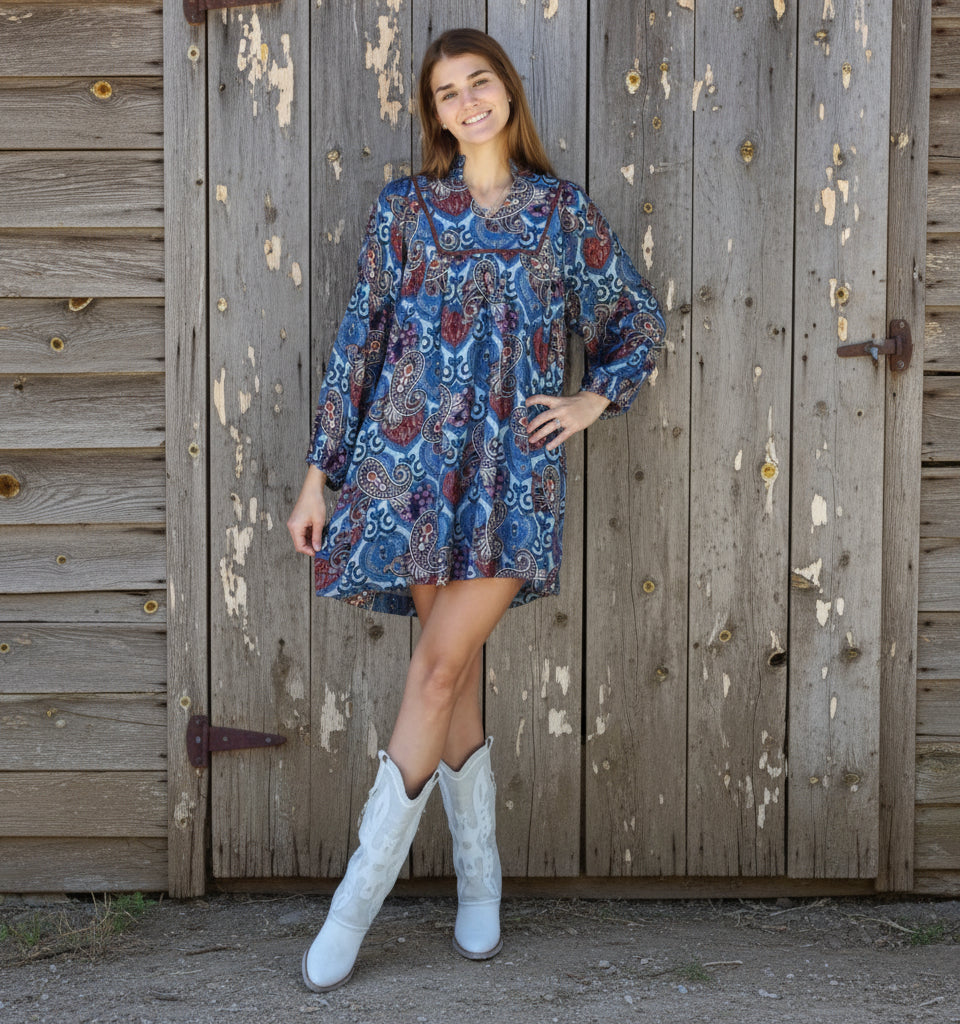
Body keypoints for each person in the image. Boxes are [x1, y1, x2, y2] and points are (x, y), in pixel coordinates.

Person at [286, 27, 665, 992]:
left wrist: (591, 399)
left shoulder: (559, 214)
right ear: (435, 112)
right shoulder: (405, 210)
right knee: (448, 676)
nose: (467, 102)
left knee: (441, 665)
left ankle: (353, 903)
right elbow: (360, 340)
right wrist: (319, 473)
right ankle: (481, 881)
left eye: (480, 82)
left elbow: (635, 323)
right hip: (410, 473)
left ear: (507, 91)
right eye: (448, 92)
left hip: (513, 480)